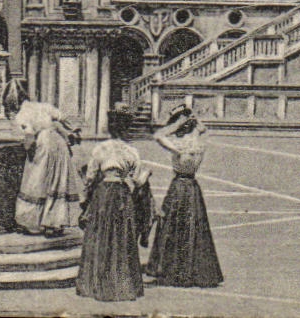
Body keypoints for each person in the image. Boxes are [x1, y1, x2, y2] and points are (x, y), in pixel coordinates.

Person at [146, 104, 223, 287]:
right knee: (194, 229)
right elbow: (202, 129)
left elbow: (158, 135)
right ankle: (193, 271)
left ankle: (172, 270)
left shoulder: (180, 145)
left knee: (172, 227)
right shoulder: (198, 142)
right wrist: (192, 117)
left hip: (179, 186)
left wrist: (178, 122)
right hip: (193, 187)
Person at [76, 136, 153, 301]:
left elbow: (90, 177)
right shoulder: (131, 151)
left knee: (100, 235)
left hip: (103, 194)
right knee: (121, 236)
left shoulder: (101, 148)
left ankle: (97, 283)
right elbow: (138, 180)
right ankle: (121, 283)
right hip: (122, 194)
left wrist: (85, 187)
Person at [13, 101, 80, 237]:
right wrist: (73, 131)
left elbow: (29, 137)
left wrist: (28, 153)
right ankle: (55, 224)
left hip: (44, 143)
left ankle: (34, 225)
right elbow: (63, 117)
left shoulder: (22, 114)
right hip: (60, 143)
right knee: (58, 180)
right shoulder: (43, 106)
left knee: (36, 180)